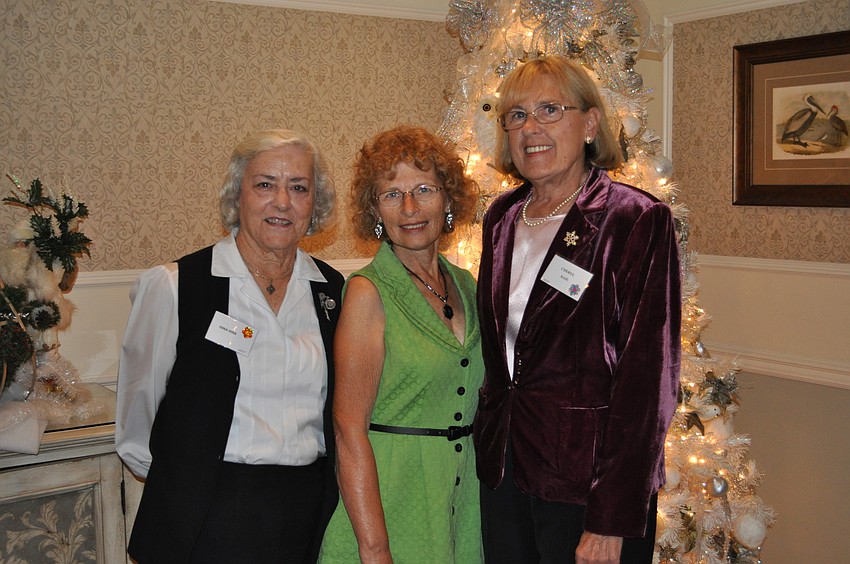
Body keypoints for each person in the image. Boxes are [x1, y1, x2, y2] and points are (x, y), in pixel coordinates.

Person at [474, 55, 681, 564]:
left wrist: (611, 517)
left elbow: (647, 382)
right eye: (517, 115)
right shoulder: (501, 217)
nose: (531, 128)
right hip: (505, 472)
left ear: (590, 124)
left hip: (588, 488)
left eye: (550, 109)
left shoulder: (633, 220)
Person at [115, 129, 343, 563]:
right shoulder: (175, 286)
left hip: (307, 519)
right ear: (238, 195)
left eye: (298, 187)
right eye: (265, 185)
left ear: (315, 205)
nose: (282, 202)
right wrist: (186, 487)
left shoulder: (333, 292)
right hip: (202, 520)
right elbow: (136, 419)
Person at [319, 125, 483, 563]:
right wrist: (375, 550)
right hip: (392, 502)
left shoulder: (467, 286)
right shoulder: (367, 293)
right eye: (391, 194)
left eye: (424, 189)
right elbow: (347, 430)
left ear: (448, 200)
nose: (409, 208)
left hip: (461, 503)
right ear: (375, 209)